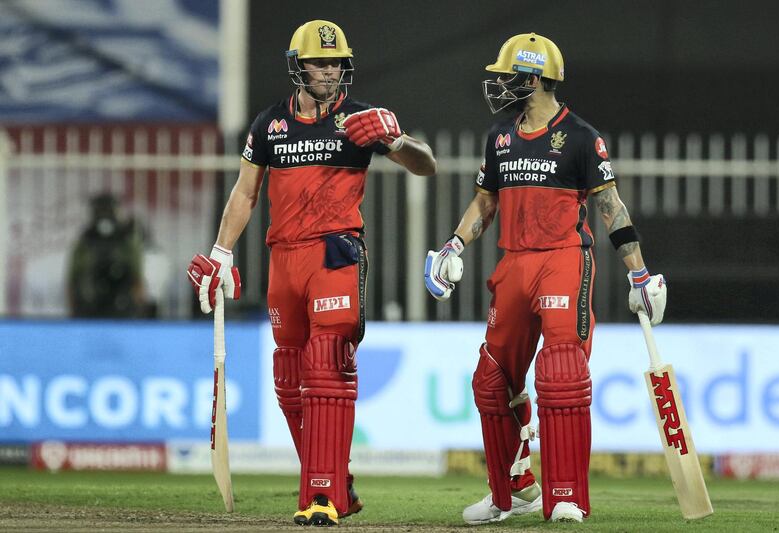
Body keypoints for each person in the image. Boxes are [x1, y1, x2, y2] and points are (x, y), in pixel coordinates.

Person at [187, 20, 436, 527]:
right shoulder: (269, 125)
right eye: (319, 63)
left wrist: (398, 137)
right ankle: (335, 480)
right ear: (298, 67)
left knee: (326, 365)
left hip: (335, 253)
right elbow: (245, 192)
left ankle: (321, 496)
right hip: (284, 259)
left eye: (336, 63)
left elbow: (426, 165)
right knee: (288, 379)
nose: (329, 71)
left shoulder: (362, 119)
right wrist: (221, 252)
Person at [424, 33, 666, 524]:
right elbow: (485, 201)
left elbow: (609, 207)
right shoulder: (500, 136)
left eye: (508, 75)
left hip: (562, 260)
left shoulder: (579, 136)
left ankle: (566, 497)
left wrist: (639, 273)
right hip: (513, 263)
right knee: (491, 381)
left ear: (533, 78)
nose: (498, 85)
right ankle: (509, 491)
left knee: (560, 373)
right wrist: (454, 244)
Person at [68, 193, 146, 318]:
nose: (104, 216)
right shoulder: (85, 242)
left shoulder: (126, 242)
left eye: (108, 210)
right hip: (89, 307)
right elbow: (72, 280)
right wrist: (75, 311)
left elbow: (137, 279)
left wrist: (137, 310)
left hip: (122, 307)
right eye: (100, 210)